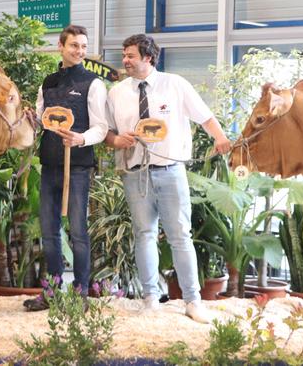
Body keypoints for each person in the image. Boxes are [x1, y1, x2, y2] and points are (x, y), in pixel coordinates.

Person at [104, 34, 231, 323]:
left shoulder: (175, 84)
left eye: (131, 55)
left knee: (180, 236)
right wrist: (116, 141)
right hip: (135, 173)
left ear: (148, 57)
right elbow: (108, 133)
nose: (125, 60)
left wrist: (221, 138)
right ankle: (151, 298)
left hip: (171, 171)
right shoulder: (117, 92)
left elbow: (204, 116)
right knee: (144, 234)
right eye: (124, 55)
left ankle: (193, 300)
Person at [24, 25, 108, 311]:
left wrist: (81, 138)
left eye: (83, 46)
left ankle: (81, 293)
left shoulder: (93, 83)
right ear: (61, 46)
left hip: (79, 168)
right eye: (74, 45)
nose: (80, 51)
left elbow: (102, 127)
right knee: (48, 233)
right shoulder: (47, 82)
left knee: (78, 233)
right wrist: (30, 121)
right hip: (49, 166)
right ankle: (50, 291)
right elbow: (39, 120)